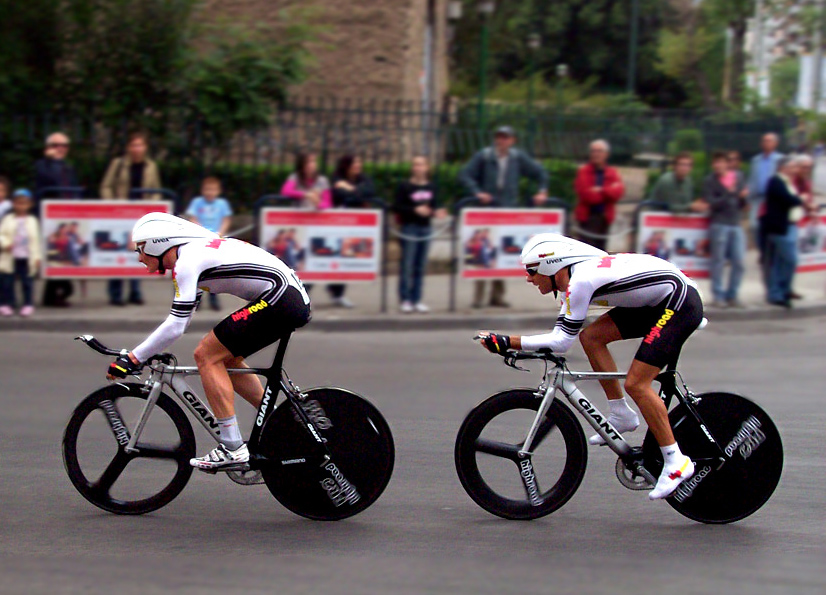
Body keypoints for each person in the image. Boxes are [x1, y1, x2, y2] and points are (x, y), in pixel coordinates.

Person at [476, 233, 703, 500]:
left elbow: (560, 342)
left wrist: (507, 342)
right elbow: (566, 333)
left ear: (551, 266)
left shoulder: (580, 281)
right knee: (592, 337)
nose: (528, 278)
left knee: (637, 384)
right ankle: (621, 414)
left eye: (532, 271)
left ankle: (676, 461)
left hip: (678, 304)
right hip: (660, 300)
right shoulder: (576, 279)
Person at [105, 213, 311, 470]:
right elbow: (182, 319)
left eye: (141, 248)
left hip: (281, 298)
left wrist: (134, 357)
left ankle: (232, 448)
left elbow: (176, 325)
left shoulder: (187, 261)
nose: (139, 256)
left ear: (158, 243)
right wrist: (140, 354)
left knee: (206, 355)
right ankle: (284, 422)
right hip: (287, 298)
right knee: (227, 358)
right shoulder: (195, 254)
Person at [459, 126, 550, 308]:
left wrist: (542, 191)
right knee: (482, 253)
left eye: (506, 138)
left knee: (500, 254)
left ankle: (497, 296)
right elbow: (465, 175)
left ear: (512, 140)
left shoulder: (517, 158)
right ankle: (479, 297)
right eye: (499, 137)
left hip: (507, 212)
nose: (502, 141)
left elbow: (540, 172)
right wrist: (477, 192)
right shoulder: (484, 156)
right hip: (485, 211)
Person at [100, 131, 163, 306]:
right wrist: (112, 204)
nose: (137, 149)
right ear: (129, 147)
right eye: (134, 145)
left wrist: (151, 206)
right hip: (120, 215)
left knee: (138, 253)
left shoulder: (150, 166)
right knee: (118, 252)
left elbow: (156, 190)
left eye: (140, 145)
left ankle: (135, 292)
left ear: (145, 147)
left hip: (140, 216)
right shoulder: (118, 164)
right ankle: (115, 293)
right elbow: (106, 185)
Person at [394, 155, 445, 313]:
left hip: (425, 228)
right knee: (407, 264)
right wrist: (414, 209)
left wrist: (437, 212)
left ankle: (416, 299)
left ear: (427, 167)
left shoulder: (431, 187)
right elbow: (396, 206)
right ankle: (405, 298)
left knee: (420, 265)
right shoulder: (405, 186)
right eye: (415, 165)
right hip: (410, 227)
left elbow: (436, 205)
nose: (418, 168)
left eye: (421, 164)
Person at [35, 132, 80, 307]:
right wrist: (49, 161)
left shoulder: (68, 168)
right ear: (48, 148)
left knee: (63, 254)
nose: (61, 149)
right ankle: (54, 294)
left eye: (64, 146)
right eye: (56, 145)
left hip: (67, 215)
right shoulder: (43, 165)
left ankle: (54, 294)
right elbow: (45, 181)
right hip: (51, 216)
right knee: (55, 255)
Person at [761, 157, 813, 308]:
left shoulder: (788, 182)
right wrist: (800, 199)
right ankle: (780, 290)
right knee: (791, 259)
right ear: (782, 167)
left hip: (790, 225)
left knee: (780, 262)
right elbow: (788, 199)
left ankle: (778, 292)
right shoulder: (776, 182)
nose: (793, 169)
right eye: (791, 166)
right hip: (780, 228)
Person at [330, 155, 377, 308]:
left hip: (356, 225)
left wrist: (351, 189)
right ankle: (304, 290)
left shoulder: (363, 178)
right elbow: (338, 195)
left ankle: (338, 293)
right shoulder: (337, 177)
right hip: (335, 224)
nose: (359, 165)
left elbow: (370, 191)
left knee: (345, 259)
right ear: (347, 165)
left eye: (359, 162)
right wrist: (356, 194)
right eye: (355, 162)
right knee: (325, 259)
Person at [703, 151, 748, 308]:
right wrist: (728, 193)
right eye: (716, 163)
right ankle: (718, 295)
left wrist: (742, 197)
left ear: (726, 164)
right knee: (718, 261)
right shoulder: (710, 181)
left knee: (739, 261)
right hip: (719, 223)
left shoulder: (738, 177)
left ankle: (732, 294)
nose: (718, 165)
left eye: (721, 162)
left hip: (735, 222)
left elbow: (742, 202)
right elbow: (712, 203)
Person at [185, 177, 233, 311]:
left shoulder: (222, 204)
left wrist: (221, 232)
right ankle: (196, 299)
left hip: (216, 242)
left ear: (218, 191)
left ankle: (214, 299)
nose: (209, 192)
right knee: (198, 270)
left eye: (213, 189)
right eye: (207, 189)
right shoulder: (197, 203)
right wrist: (201, 231)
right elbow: (193, 218)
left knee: (214, 271)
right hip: (200, 240)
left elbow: (226, 220)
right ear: (202, 190)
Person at [573, 139, 625, 251]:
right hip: (588, 218)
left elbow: (618, 193)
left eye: (599, 151)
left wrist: (600, 190)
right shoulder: (583, 172)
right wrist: (609, 191)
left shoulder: (612, 172)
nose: (596, 154)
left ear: (606, 154)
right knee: (585, 251)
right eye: (593, 151)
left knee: (601, 252)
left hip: (605, 218)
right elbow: (587, 196)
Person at [0, 189, 42, 317]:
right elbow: (1, 234)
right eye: (18, 203)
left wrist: (37, 257)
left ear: (30, 204)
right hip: (10, 255)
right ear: (13, 204)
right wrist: (6, 244)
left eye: (24, 203)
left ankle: (28, 304)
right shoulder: (8, 219)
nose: (21, 206)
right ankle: (7, 303)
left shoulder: (33, 221)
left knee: (27, 281)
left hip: (26, 256)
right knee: (7, 281)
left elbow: (36, 240)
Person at [747, 133, 784, 251]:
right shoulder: (755, 160)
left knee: (772, 226)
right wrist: (748, 198)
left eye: (769, 140)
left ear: (775, 143)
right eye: (764, 140)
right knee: (754, 225)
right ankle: (762, 248)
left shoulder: (781, 159)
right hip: (757, 197)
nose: (766, 143)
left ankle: (771, 250)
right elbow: (752, 178)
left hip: (773, 199)